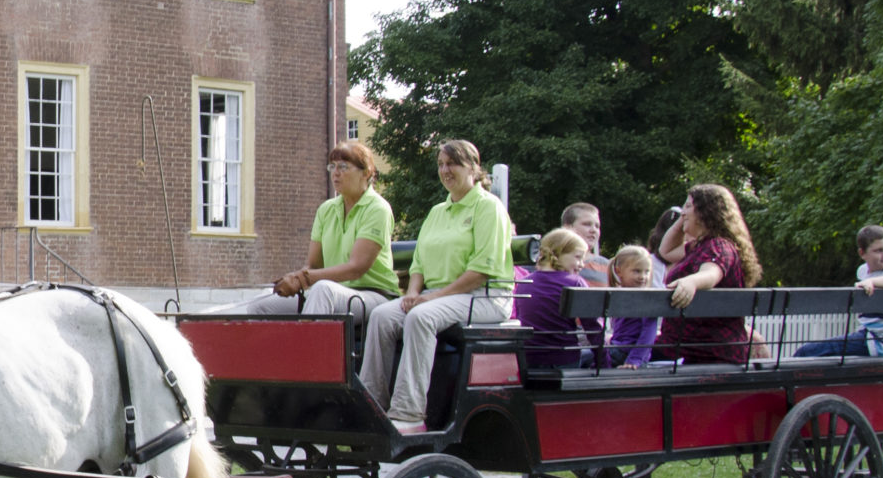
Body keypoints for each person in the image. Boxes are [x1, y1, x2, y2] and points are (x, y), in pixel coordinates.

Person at [360, 140, 516, 427]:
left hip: (484, 297)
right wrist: (413, 292)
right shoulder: (437, 211)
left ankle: (408, 414)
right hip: (437, 296)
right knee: (381, 316)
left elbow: (481, 270)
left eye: (452, 164)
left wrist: (431, 299)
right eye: (441, 164)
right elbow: (419, 263)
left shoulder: (488, 207)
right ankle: (371, 405)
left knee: (420, 317)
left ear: (472, 167)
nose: (445, 170)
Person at [212, 142, 397, 317]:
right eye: (332, 167)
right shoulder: (326, 209)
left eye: (343, 167)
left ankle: (309, 350)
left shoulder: (377, 209)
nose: (336, 173)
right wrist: (294, 279)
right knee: (260, 305)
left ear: (367, 172)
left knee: (322, 290)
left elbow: (356, 268)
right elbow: (313, 265)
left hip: (372, 295)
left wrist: (303, 279)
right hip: (330, 292)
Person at [655, 183, 762, 365]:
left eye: (688, 206)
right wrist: (684, 218)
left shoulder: (719, 246)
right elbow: (666, 251)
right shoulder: (699, 246)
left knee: (619, 356)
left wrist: (691, 282)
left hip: (706, 352)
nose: (683, 211)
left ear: (705, 212)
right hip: (686, 347)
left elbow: (712, 273)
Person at [796, 225, 883, 358]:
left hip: (881, 343)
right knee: (816, 353)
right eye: (879, 250)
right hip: (871, 339)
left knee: (806, 352)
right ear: (862, 253)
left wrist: (872, 282)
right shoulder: (863, 271)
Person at [512, 227, 597, 366]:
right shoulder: (575, 282)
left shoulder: (524, 282)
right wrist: (605, 363)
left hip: (528, 358)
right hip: (563, 358)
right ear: (559, 253)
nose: (581, 265)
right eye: (578, 257)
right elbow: (592, 327)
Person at [604, 244, 661, 367]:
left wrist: (634, 360)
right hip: (619, 349)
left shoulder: (645, 299)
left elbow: (649, 333)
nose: (642, 277)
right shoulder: (620, 294)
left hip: (629, 354)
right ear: (619, 271)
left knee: (584, 357)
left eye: (647, 272)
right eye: (637, 271)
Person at [560, 202, 610, 284]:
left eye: (597, 226)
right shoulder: (551, 263)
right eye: (587, 224)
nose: (593, 230)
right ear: (567, 228)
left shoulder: (607, 267)